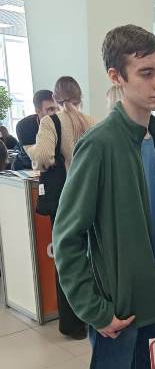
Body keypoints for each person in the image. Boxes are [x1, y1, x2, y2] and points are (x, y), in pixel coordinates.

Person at [52, 24, 155, 369]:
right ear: (117, 76)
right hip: (118, 310)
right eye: (146, 73)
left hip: (154, 300)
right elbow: (66, 237)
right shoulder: (100, 144)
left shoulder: (152, 139)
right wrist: (95, 310)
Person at [28, 77, 95, 340]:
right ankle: (94, 315)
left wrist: (33, 151)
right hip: (91, 200)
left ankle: (73, 324)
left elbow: (43, 156)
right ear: (80, 96)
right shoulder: (92, 122)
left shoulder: (51, 122)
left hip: (65, 203)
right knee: (90, 258)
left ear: (56, 99)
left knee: (67, 261)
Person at [14, 90, 57, 170]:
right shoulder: (24, 126)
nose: (56, 113)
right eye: (51, 109)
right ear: (37, 110)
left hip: (51, 167)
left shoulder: (60, 122)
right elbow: (38, 158)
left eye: (58, 108)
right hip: (25, 167)